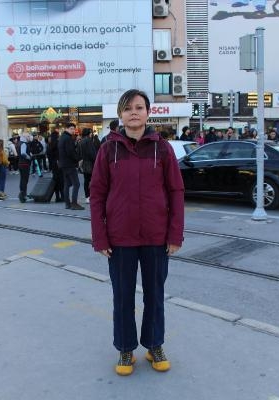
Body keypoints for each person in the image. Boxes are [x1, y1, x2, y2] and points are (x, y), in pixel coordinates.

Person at [90, 89, 185, 376]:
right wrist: (100, 237)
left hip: (156, 237)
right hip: (120, 238)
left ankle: (155, 345)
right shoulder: (108, 149)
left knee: (155, 295)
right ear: (120, 114)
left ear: (148, 113)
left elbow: (176, 191)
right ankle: (125, 348)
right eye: (128, 108)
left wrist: (175, 234)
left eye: (139, 107)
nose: (134, 112)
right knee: (123, 297)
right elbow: (97, 194)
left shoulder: (162, 149)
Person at [58, 123, 84, 210]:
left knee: (67, 184)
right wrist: (78, 159)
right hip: (69, 164)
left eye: (73, 129)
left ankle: (67, 203)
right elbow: (70, 152)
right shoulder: (68, 138)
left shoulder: (62, 137)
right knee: (76, 184)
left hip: (63, 164)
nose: (73, 130)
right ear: (66, 128)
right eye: (71, 129)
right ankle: (74, 203)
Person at [78, 128, 97, 203]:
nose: (91, 134)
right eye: (91, 132)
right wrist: (95, 160)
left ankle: (87, 196)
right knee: (92, 180)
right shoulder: (88, 141)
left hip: (84, 163)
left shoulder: (81, 141)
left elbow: (78, 152)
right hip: (90, 163)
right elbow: (92, 153)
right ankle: (91, 195)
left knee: (86, 180)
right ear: (88, 133)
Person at [46, 129, 64, 202]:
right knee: (61, 181)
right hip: (59, 164)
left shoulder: (49, 145)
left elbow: (48, 156)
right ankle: (62, 196)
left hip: (53, 165)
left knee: (55, 181)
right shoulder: (58, 144)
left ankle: (57, 196)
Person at [17, 133, 33, 203]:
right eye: (28, 136)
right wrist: (29, 157)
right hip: (25, 163)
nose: (29, 137)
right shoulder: (23, 143)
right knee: (25, 179)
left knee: (23, 179)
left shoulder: (19, 143)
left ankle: (23, 193)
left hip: (21, 163)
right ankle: (23, 194)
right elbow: (23, 153)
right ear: (25, 137)